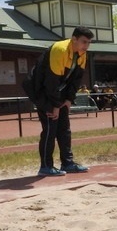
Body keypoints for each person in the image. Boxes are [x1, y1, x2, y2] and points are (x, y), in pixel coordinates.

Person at [33, 26, 93, 176]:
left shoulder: (82, 54)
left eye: (89, 43)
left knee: (64, 128)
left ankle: (68, 163)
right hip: (42, 90)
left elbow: (76, 79)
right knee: (50, 128)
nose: (86, 46)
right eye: (84, 42)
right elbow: (51, 81)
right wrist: (54, 105)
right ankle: (46, 166)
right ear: (74, 39)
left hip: (59, 92)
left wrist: (68, 99)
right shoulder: (59, 50)